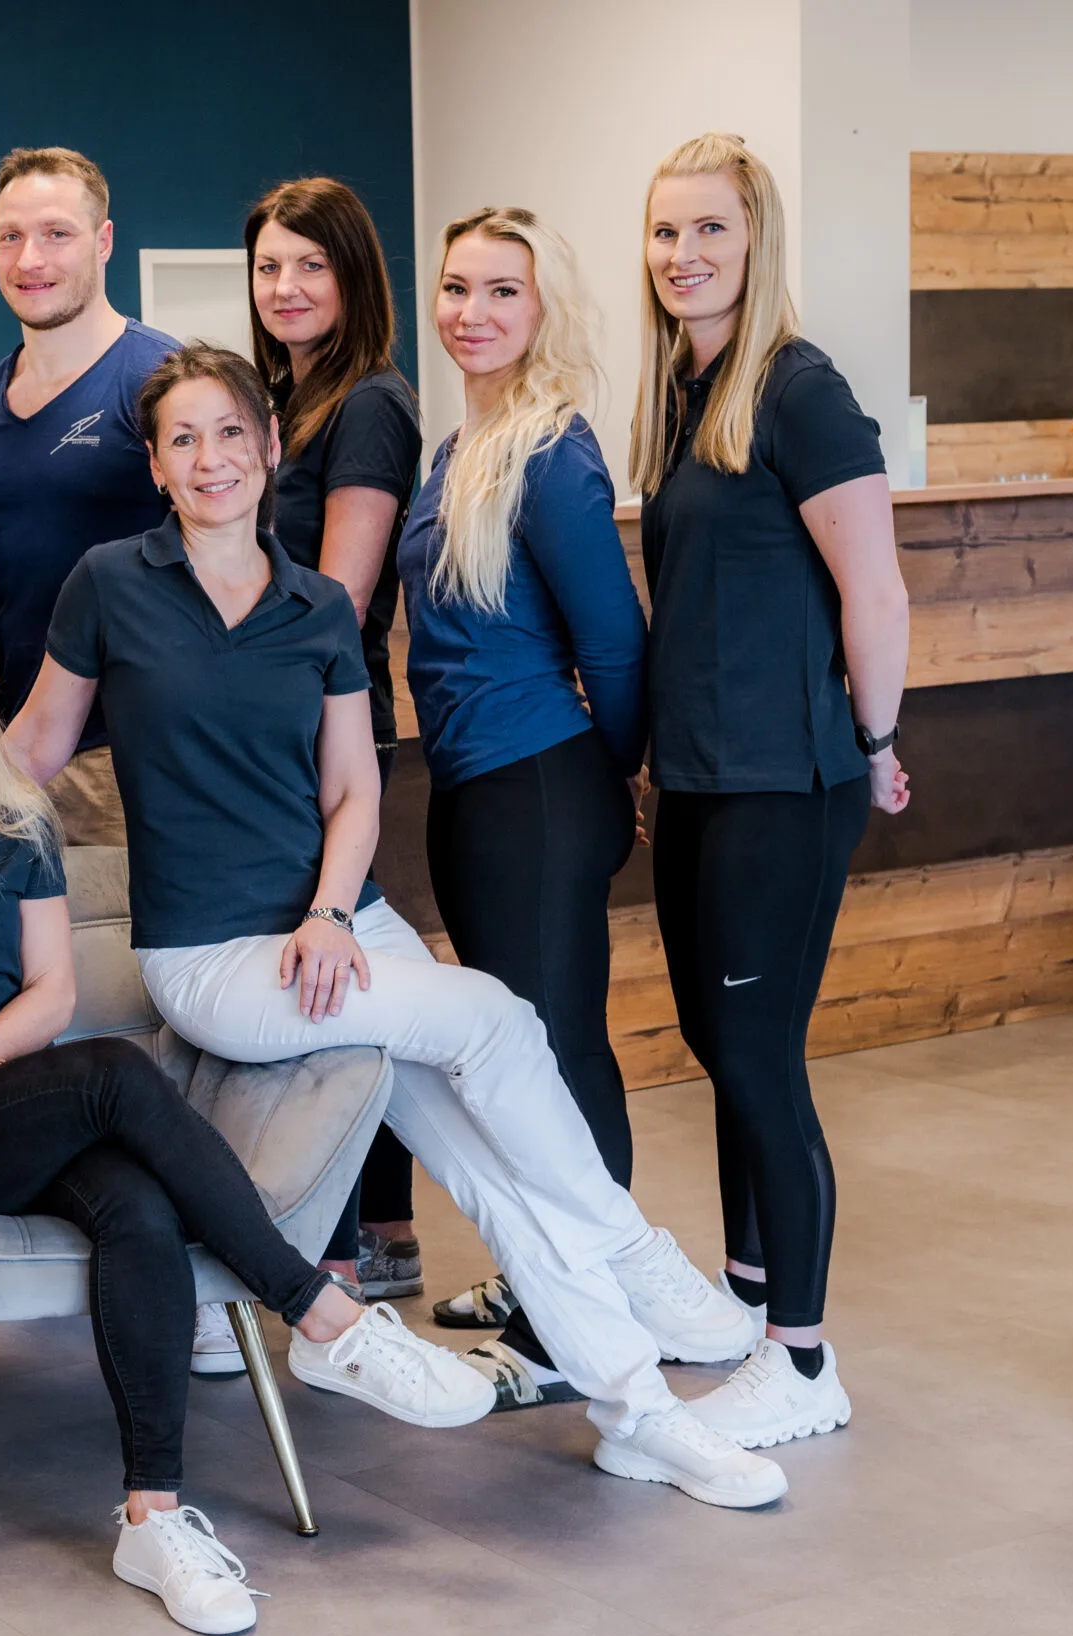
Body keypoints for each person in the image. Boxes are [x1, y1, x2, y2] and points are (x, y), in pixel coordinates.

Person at [5, 343, 783, 1509]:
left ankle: (640, 1412)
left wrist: (329, 911)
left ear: (270, 447)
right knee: (491, 1014)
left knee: (488, 1171)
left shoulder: (319, 604)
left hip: (336, 924)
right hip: (214, 955)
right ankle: (631, 1250)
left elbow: (353, 788)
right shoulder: (107, 583)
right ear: (156, 466)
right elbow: (30, 753)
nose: (210, 459)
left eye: (231, 433)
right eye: (182, 439)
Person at [0, 574, 494, 1636]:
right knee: (114, 1073)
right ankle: (320, 1311)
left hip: (2, 1102)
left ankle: (152, 1512)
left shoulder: (11, 818)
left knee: (136, 1205)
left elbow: (48, 992)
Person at [630, 135, 910, 1448]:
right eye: (665, 233)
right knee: (720, 1050)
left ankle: (803, 1363)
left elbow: (876, 586)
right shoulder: (690, 390)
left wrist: (874, 730)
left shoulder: (801, 390)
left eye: (708, 232)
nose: (683, 255)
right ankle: (750, 1310)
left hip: (782, 781)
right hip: (696, 778)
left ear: (757, 243)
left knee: (758, 1055)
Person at [397, 209, 650, 1412]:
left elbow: (613, 639)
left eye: (503, 291)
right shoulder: (462, 447)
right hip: (473, 787)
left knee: (555, 1060)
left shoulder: (552, 448)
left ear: (543, 310)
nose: (473, 311)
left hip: (536, 784)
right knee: (510, 1057)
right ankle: (534, 1274)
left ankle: (574, 1326)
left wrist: (596, 782)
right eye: (457, 287)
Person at [245, 177, 426, 1313]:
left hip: (331, 721)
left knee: (341, 971)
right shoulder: (288, 393)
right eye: (268, 265)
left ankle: (364, 1239)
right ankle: (374, 1226)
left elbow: (339, 596)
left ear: (353, 275)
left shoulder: (370, 402)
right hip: (286, 720)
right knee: (331, 971)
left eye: (309, 264)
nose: (285, 286)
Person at [0, 145, 180, 848]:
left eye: (56, 233)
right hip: (17, 753)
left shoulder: (162, 380)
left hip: (135, 754)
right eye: (10, 237)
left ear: (104, 240)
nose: (30, 260)